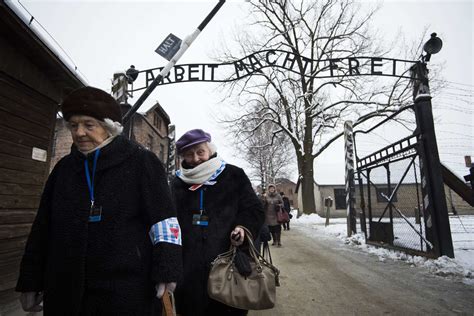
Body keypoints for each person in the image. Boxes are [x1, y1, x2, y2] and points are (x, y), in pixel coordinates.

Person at [15, 86, 182, 315]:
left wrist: (167, 268)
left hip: (125, 293)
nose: (79, 132)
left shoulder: (141, 162)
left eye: (88, 124)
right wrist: (31, 280)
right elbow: (43, 227)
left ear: (109, 127)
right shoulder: (64, 169)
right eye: (73, 125)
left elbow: (164, 221)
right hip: (64, 293)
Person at [172, 129, 264, 316]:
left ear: (210, 150)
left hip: (228, 265)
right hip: (188, 269)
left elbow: (254, 209)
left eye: (200, 152)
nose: (196, 158)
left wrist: (242, 227)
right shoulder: (177, 183)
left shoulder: (234, 175)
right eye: (189, 154)